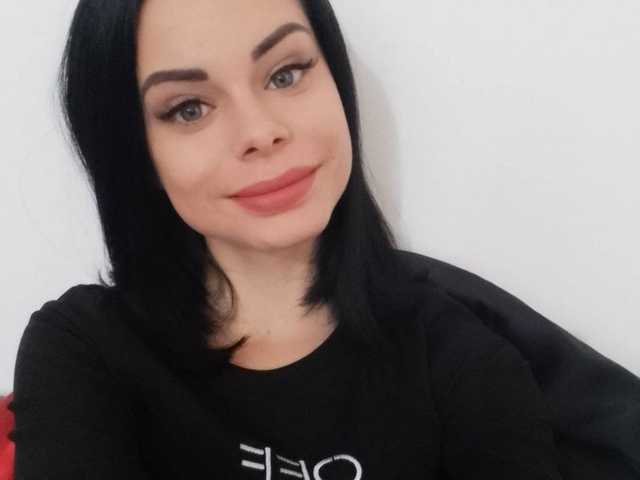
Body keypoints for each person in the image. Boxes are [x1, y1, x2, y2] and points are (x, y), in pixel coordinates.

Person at [9, 0, 562, 478]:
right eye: (188, 108)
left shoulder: (466, 363)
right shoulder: (82, 352)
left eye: (285, 74)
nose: (260, 132)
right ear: (137, 154)